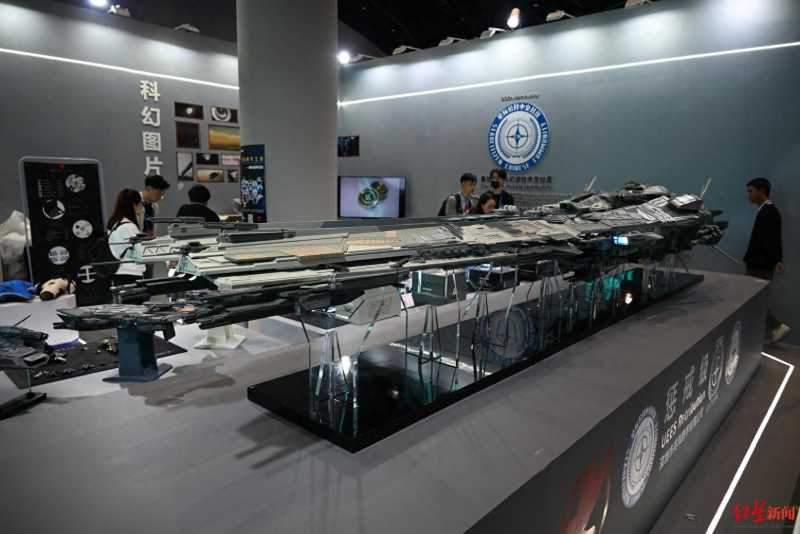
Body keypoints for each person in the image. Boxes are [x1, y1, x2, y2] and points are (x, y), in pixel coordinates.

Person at [743, 177, 790, 343]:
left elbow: (770, 241)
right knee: (755, 299)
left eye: (751, 191)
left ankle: (776, 327)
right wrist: (778, 260)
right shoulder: (767, 211)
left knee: (755, 299)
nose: (748, 195)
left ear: (762, 191)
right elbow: (776, 240)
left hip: (760, 265)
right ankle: (769, 333)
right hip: (761, 263)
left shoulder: (768, 212)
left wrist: (775, 260)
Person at [107, 189, 146, 287]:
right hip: (131, 273)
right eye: (140, 203)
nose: (142, 206)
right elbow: (139, 253)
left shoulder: (114, 224)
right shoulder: (129, 227)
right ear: (134, 205)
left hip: (118, 272)